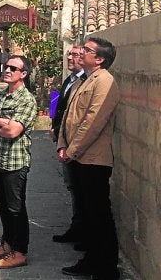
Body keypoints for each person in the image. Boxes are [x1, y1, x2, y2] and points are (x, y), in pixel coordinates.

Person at [58, 37, 120, 280]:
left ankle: (106, 268)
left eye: (87, 50)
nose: (80, 52)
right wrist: (62, 144)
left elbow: (93, 122)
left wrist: (71, 150)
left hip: (94, 160)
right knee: (87, 215)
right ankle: (90, 260)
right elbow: (67, 114)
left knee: (99, 215)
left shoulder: (104, 81)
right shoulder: (83, 80)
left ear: (100, 58)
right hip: (78, 157)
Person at [0, 55, 37, 269]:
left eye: (13, 67)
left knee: (16, 208)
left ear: (23, 74)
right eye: (6, 66)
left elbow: (13, 131)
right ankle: (7, 243)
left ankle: (20, 251)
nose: (7, 70)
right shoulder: (1, 95)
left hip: (16, 161)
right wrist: (0, 122)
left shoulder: (27, 100)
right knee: (2, 205)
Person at [50, 46, 85, 245]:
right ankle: (76, 227)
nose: (69, 57)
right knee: (72, 187)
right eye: (69, 54)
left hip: (76, 145)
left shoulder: (85, 81)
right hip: (63, 140)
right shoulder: (68, 80)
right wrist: (53, 123)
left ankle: (82, 231)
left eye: (74, 55)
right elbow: (58, 102)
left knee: (80, 189)